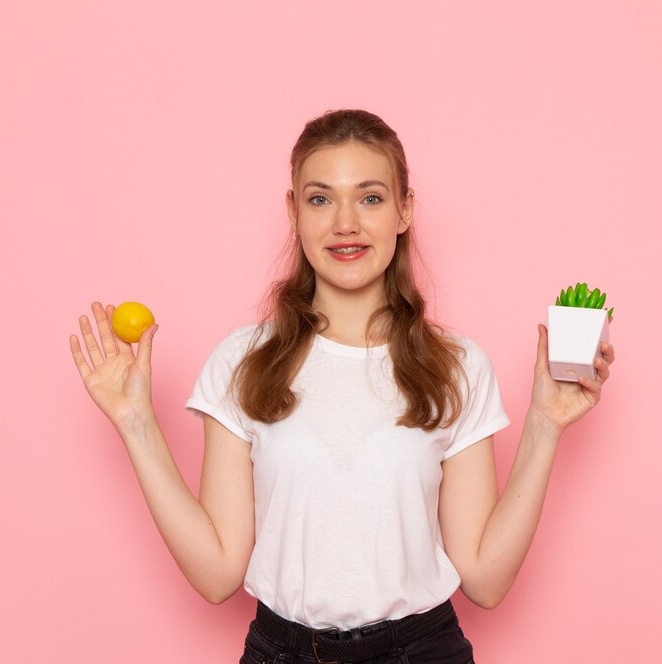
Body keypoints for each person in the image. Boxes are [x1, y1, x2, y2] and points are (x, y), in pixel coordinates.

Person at [69, 109, 615, 663]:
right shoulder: (242, 362)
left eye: (372, 198)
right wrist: (135, 422)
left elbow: (485, 581)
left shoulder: (457, 366)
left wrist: (545, 424)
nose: (345, 223)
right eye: (320, 199)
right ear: (293, 212)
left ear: (405, 210)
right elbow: (216, 575)